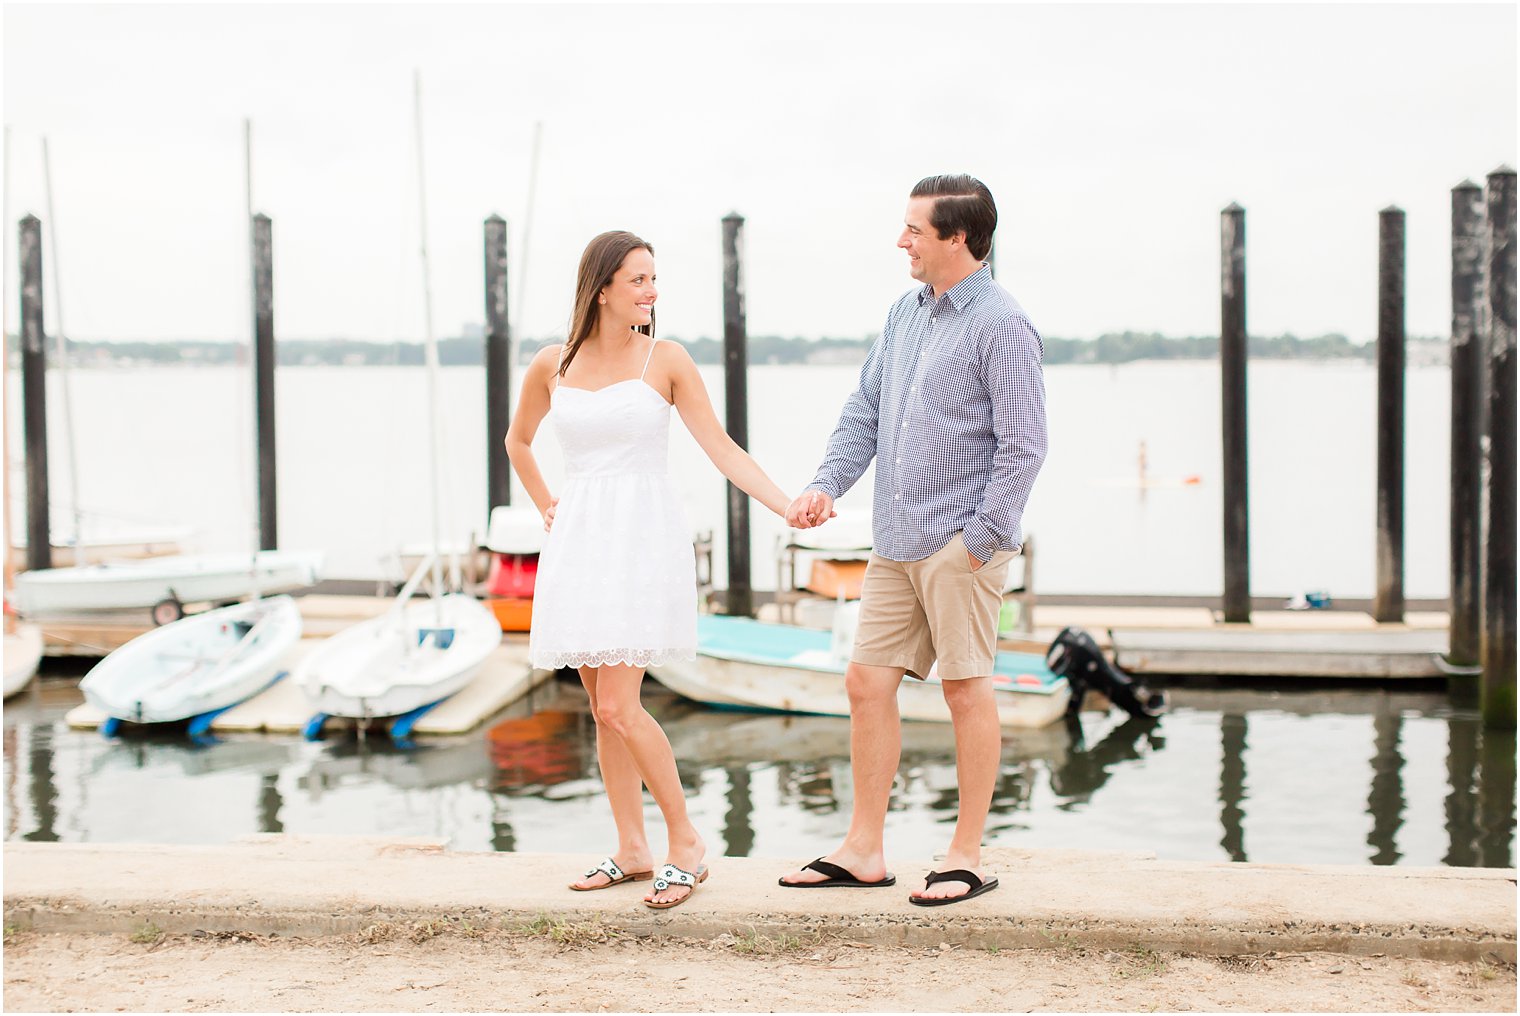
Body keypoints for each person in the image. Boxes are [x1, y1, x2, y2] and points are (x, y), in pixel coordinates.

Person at [505, 230, 796, 910]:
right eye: (638, 279)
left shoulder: (666, 361)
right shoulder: (554, 363)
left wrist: (784, 504)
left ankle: (686, 843)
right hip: (580, 542)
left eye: (654, 279)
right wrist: (548, 502)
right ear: (602, 287)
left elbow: (721, 448)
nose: (652, 290)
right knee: (603, 715)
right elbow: (518, 441)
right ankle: (632, 850)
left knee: (618, 703)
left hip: (640, 542)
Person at [778, 175, 1047, 906]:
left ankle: (964, 854)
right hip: (894, 539)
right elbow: (864, 409)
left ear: (958, 238)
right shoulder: (904, 313)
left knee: (966, 690)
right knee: (865, 682)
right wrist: (826, 483)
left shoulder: (1003, 323)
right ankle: (864, 849)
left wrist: (980, 539)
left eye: (915, 231)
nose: (902, 241)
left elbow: (1024, 447)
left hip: (961, 541)